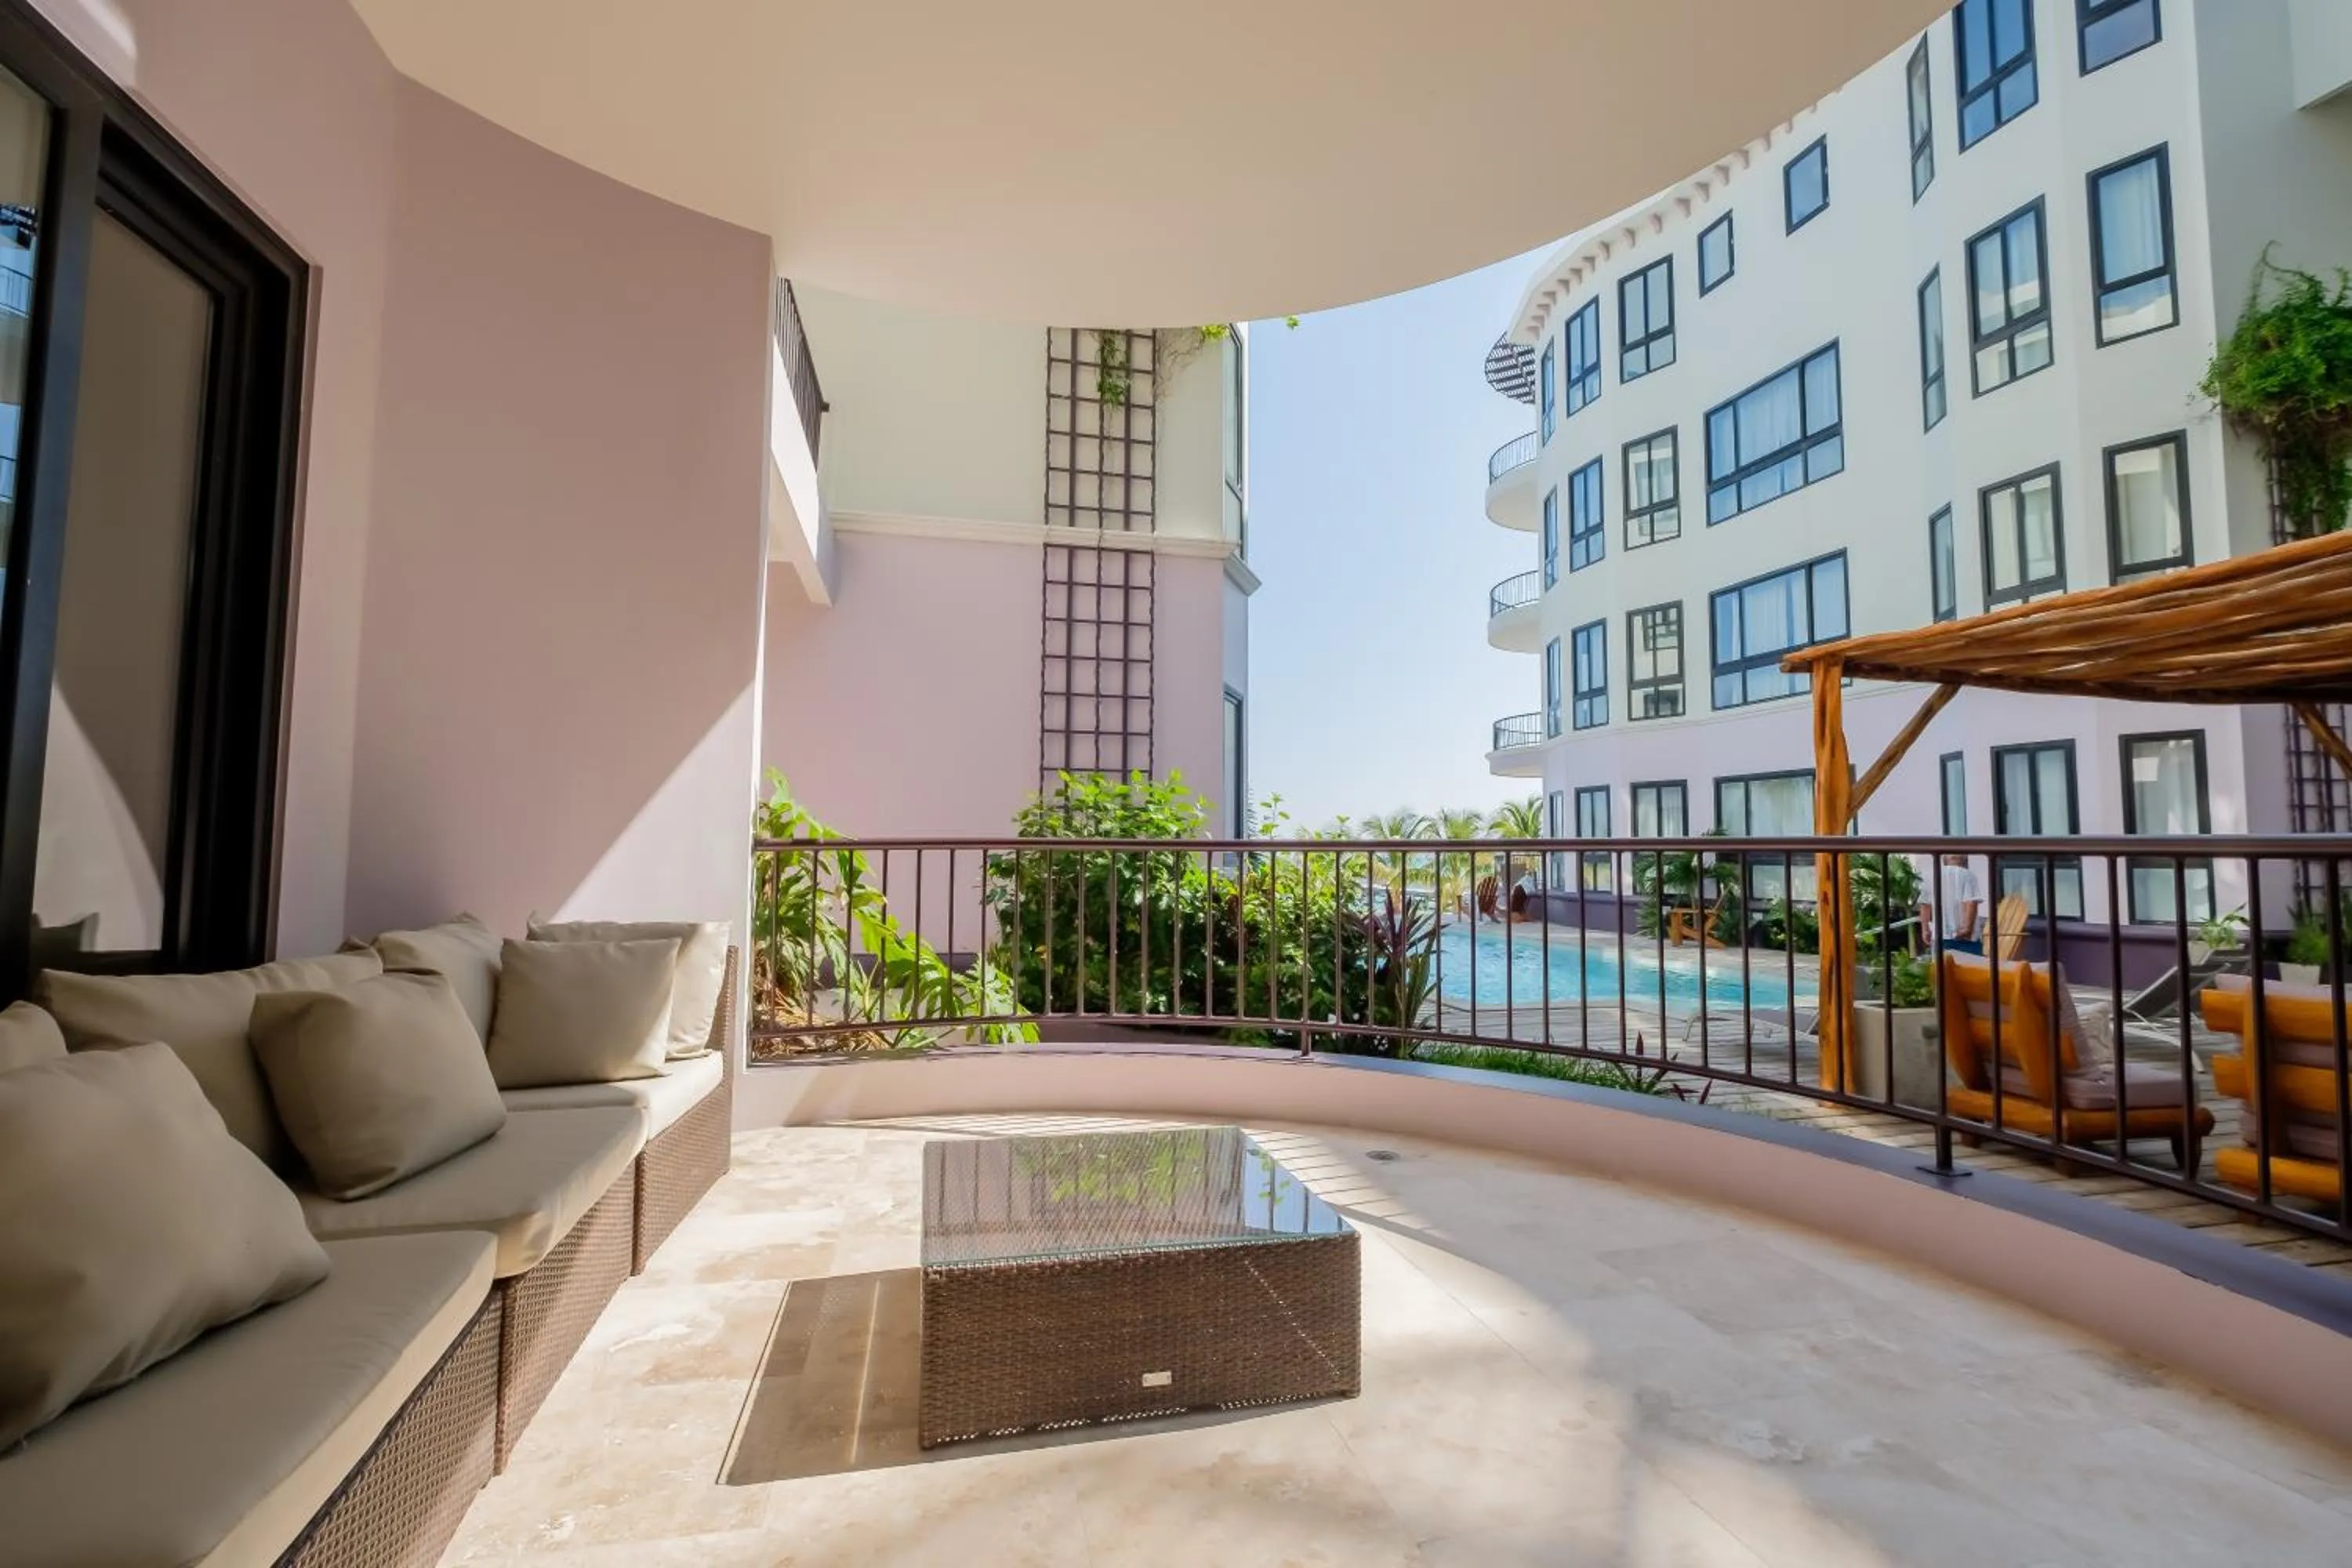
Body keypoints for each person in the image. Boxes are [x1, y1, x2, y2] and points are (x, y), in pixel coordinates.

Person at [1920, 852, 1983, 955]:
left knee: (1943, 969)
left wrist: (1925, 930)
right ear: (1965, 860)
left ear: (1944, 860)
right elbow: (1971, 902)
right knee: (1970, 968)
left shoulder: (1930, 876)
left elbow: (1925, 905)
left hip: (1939, 936)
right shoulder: (1968, 875)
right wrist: (1967, 929)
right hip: (1966, 938)